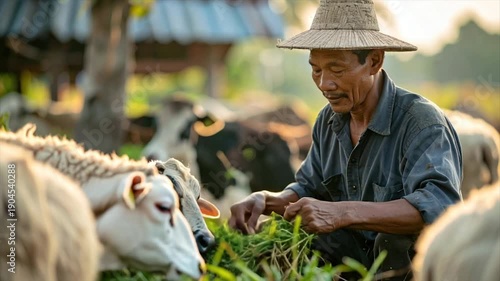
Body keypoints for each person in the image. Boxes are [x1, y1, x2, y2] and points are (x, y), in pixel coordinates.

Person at [228, 0, 463, 280]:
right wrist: (267, 200)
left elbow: (440, 207)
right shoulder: (327, 122)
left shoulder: (421, 122)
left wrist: (341, 213)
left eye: (337, 70)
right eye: (316, 69)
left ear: (374, 61)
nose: (325, 83)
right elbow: (308, 187)